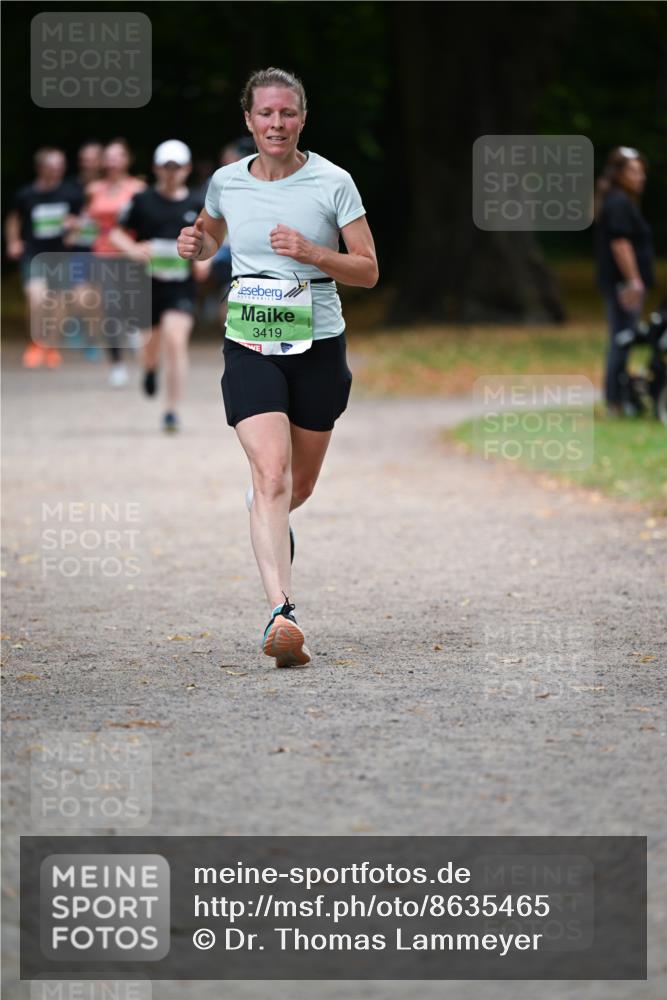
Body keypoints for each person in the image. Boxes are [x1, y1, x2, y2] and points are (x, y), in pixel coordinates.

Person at [177, 67, 378, 668]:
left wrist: (314, 253)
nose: (276, 123)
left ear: (302, 119)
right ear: (248, 120)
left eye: (287, 113)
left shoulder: (333, 182)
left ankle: (265, 511)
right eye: (265, 113)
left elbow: (367, 269)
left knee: (298, 486)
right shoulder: (225, 183)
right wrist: (198, 246)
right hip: (251, 342)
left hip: (318, 344)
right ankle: (282, 616)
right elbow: (210, 236)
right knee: (272, 475)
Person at [110, 140, 206, 433]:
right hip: (147, 286)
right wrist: (134, 250)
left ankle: (172, 411)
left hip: (180, 288)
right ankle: (150, 368)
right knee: (149, 347)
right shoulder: (142, 201)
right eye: (166, 167)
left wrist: (204, 261)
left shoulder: (197, 205)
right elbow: (115, 233)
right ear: (156, 168)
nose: (171, 173)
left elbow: (211, 242)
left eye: (176, 167)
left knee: (175, 342)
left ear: (187, 169)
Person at [5, 147, 83, 369]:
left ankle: (51, 346)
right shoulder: (26, 195)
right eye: (52, 167)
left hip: (60, 255)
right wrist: (13, 242)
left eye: (60, 167)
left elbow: (80, 219)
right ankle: (36, 342)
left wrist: (73, 230)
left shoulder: (71, 193)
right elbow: (13, 219)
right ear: (40, 168)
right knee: (36, 298)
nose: (57, 171)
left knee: (58, 302)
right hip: (34, 254)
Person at [594, 146, 655, 416]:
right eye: (633, 171)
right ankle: (615, 402)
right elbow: (620, 244)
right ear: (618, 174)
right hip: (623, 286)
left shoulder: (620, 201)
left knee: (622, 339)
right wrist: (633, 282)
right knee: (622, 339)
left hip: (622, 284)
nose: (639, 177)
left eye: (641, 172)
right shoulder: (618, 203)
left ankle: (617, 399)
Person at [85, 139, 145, 387]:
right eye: (108, 156)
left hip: (130, 253)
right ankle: (117, 365)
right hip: (103, 254)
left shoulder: (137, 188)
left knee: (130, 306)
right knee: (109, 309)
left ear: (126, 159)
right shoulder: (94, 189)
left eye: (117, 156)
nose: (112, 161)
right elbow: (89, 222)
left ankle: (133, 332)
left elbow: (146, 219)